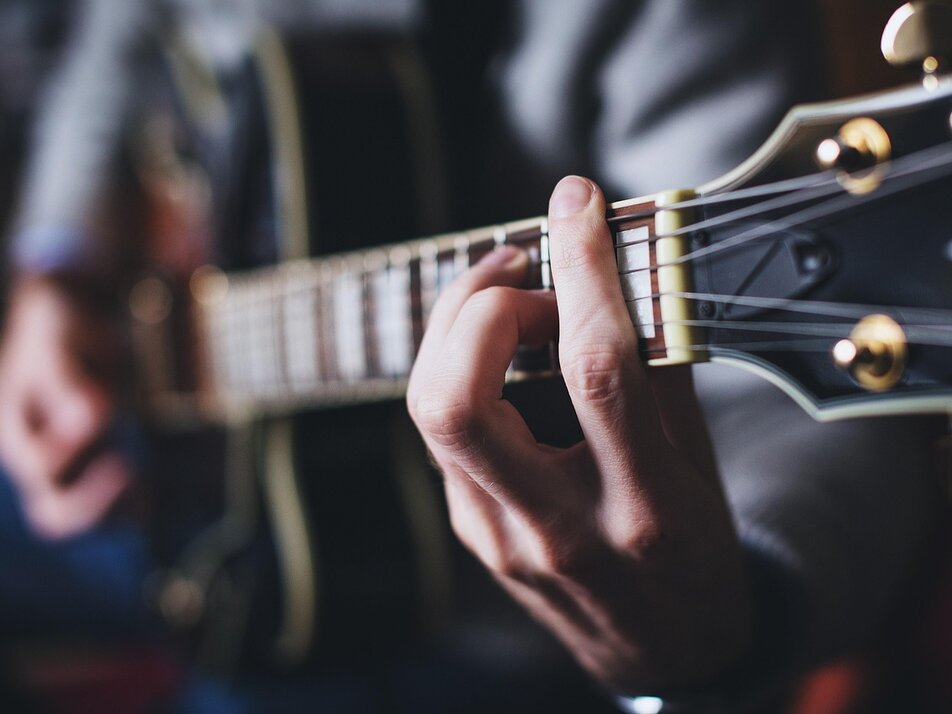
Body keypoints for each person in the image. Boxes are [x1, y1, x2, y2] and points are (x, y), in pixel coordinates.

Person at [0, 0, 942, 711]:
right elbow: (113, 31)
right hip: (154, 476)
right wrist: (55, 268)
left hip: (461, 627)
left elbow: (804, 409)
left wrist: (736, 614)